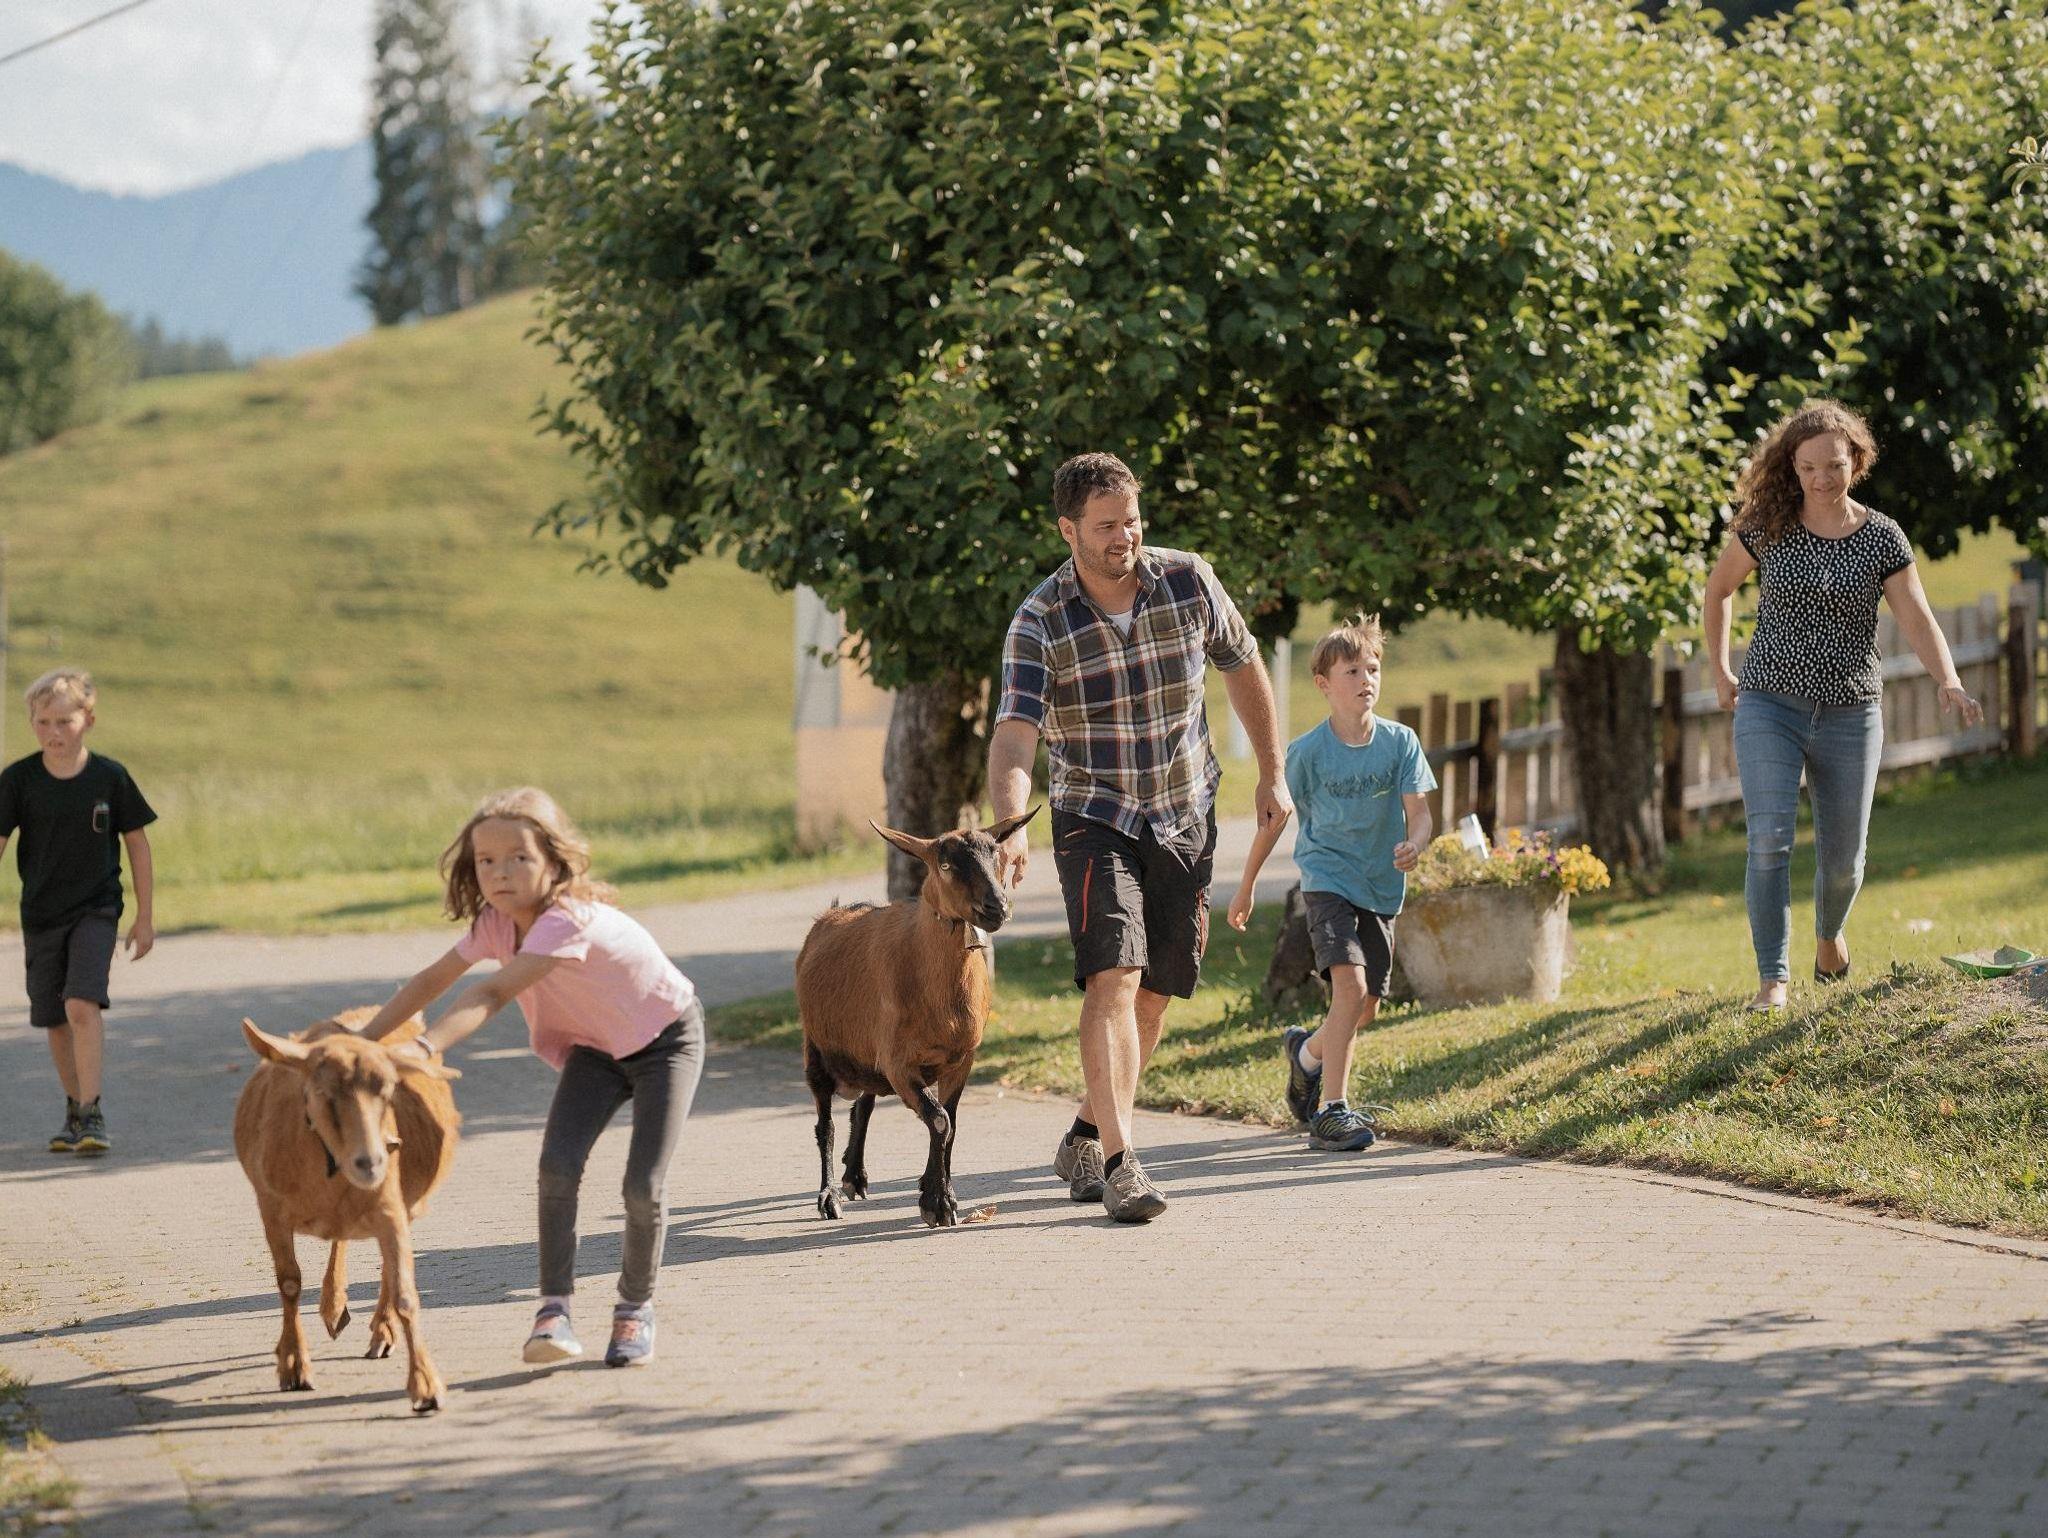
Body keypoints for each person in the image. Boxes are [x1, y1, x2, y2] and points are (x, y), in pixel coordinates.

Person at [987, 451, 1290, 1223]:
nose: (1123, 537)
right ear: (1068, 531)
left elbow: (1243, 664)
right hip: (1096, 814)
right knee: (1113, 978)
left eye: (1131, 521)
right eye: (1105, 526)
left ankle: (1086, 1134)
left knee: (1154, 994)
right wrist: (1010, 826)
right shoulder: (1039, 620)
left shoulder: (1188, 580)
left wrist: (1272, 773)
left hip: (1184, 809)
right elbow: (1016, 733)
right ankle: (1122, 1162)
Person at [360, 787, 703, 1367]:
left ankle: (634, 1309)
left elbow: (492, 992)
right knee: (557, 1167)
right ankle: (555, 1312)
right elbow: (432, 980)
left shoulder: (566, 920)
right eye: (486, 860)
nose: (501, 872)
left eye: (520, 857)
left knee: (642, 1187)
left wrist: (423, 1047)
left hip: (666, 1040)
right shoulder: (496, 923)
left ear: (553, 862)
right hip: (597, 1050)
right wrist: (364, 1039)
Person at [1702, 400, 1984, 1012]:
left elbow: (1915, 614)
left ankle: (1829, 936)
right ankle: (1772, 980)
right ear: (1792, 467)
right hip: (1769, 704)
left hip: (1851, 712)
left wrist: (1948, 679)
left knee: (1844, 863)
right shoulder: (1768, 524)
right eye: (1808, 467)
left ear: (1856, 460)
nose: (1821, 479)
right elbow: (1719, 589)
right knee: (1769, 840)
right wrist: (1721, 669)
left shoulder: (1882, 536)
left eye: (1833, 465)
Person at [1226, 615, 1434, 1150]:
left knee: (1364, 1008)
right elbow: (1274, 820)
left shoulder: (1400, 742)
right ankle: (1332, 1109)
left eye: (1373, 669)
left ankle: (1306, 1054)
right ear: (1323, 683)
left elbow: (1421, 814)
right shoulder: (1307, 753)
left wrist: (1416, 843)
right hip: (1327, 882)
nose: (1366, 679)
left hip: (1380, 887)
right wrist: (1247, 884)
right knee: (1351, 990)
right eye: (1352, 671)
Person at [0, 669, 156, 1157]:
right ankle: (74, 1111)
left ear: (88, 719)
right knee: (54, 1018)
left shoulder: (110, 777)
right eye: (43, 721)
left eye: (64, 721)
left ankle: (92, 1112)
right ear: (32, 722)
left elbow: (137, 844)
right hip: (41, 914)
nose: (54, 732)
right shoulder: (18, 780)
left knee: (81, 1004)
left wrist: (144, 917)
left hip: (96, 908)